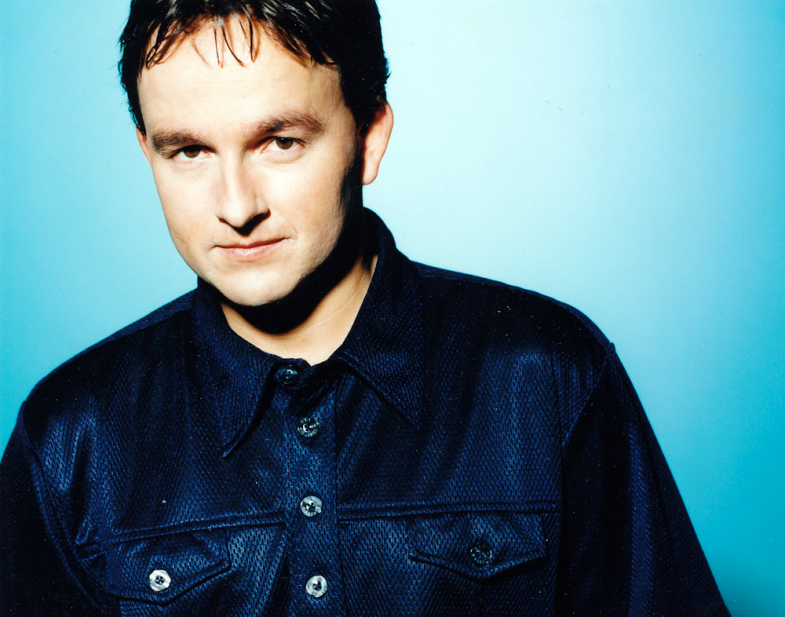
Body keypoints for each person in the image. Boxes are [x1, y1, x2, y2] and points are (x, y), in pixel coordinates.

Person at [0, 1, 729, 614]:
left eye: (280, 141)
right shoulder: (71, 435)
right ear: (146, 151)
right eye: (188, 152)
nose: (236, 206)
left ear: (368, 137)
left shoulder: (547, 376)